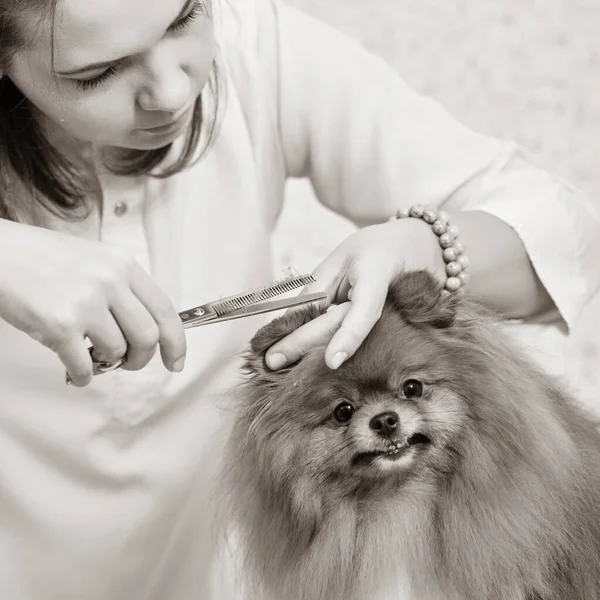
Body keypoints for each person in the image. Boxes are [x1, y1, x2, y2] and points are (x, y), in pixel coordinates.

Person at [0, 0, 598, 598]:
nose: (170, 89)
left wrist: (423, 244)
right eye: (97, 74)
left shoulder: (259, 49)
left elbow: (563, 227)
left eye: (183, 20)